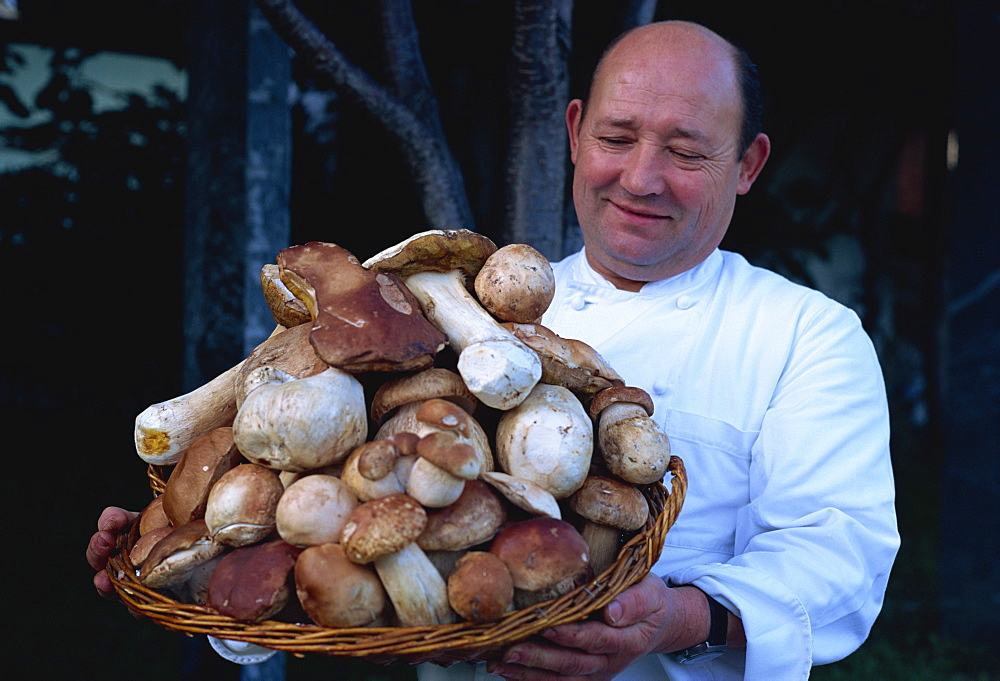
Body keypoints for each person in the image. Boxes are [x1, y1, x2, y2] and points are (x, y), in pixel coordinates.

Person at [87, 19, 899, 681]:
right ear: (576, 133)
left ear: (749, 164)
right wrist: (183, 549)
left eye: (686, 152)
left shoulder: (806, 334)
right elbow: (326, 529)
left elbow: (839, 556)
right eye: (618, 137)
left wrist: (674, 619)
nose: (642, 178)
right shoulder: (465, 316)